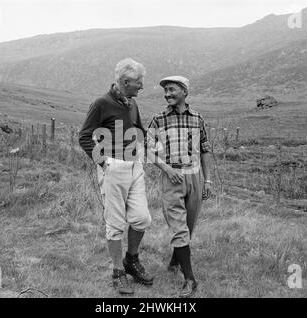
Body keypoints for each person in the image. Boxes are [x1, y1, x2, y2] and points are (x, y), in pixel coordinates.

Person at [79, 58, 153, 295]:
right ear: (125, 81)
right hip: (113, 168)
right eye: (138, 83)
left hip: (135, 167)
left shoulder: (132, 104)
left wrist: (147, 145)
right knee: (115, 223)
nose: (141, 87)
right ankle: (117, 272)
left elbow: (138, 129)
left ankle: (131, 261)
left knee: (142, 219)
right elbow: (85, 136)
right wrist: (103, 162)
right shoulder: (101, 103)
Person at [146, 76, 212, 298]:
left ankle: (175, 260)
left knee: (189, 227)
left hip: (195, 178)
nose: (167, 94)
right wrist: (166, 169)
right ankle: (190, 279)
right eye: (165, 91)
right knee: (179, 227)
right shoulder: (159, 119)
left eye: (171, 90)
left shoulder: (197, 119)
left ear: (184, 91)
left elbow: (204, 150)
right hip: (172, 180)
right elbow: (147, 150)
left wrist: (207, 180)